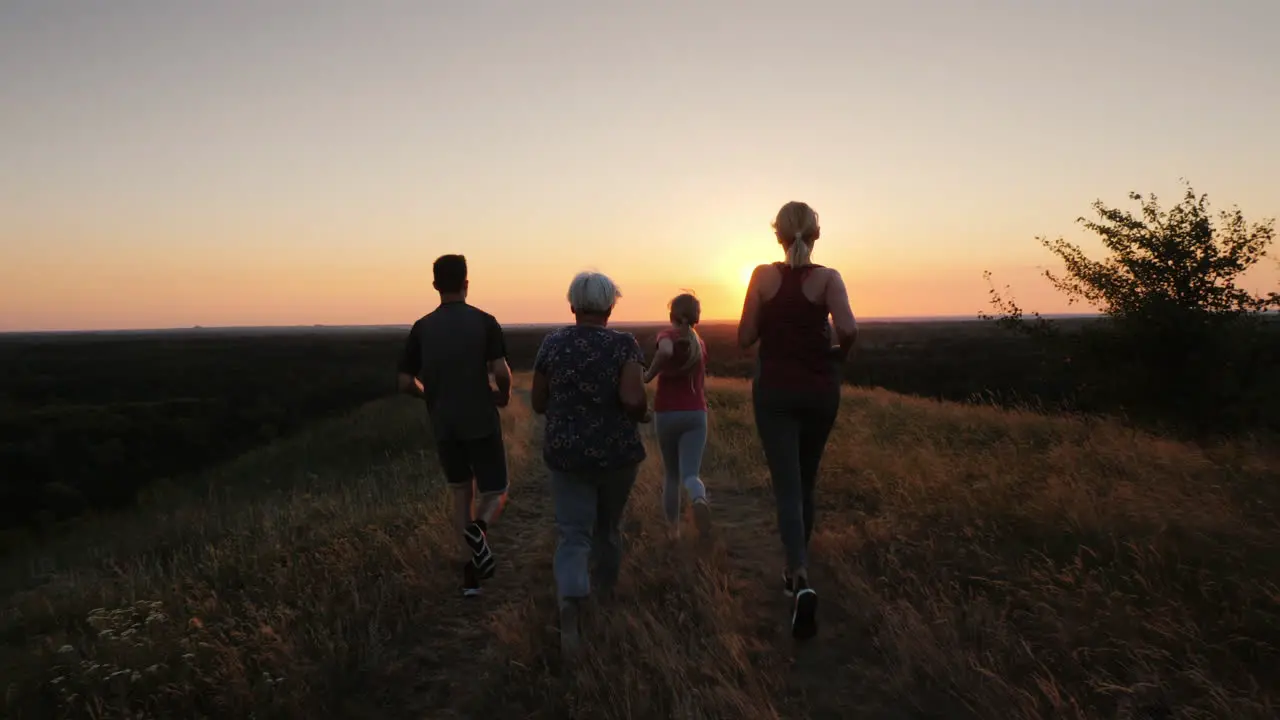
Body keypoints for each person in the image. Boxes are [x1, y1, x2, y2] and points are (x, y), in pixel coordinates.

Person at [737, 201, 858, 640]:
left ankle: (798, 576)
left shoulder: (762, 277)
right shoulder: (829, 279)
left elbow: (744, 337)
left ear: (778, 236)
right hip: (821, 390)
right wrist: (835, 359)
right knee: (806, 482)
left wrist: (769, 323)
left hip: (775, 393)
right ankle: (797, 569)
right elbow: (849, 330)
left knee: (787, 486)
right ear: (817, 235)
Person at [531, 271, 649, 657]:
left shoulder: (553, 343)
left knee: (572, 533)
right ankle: (604, 595)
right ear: (610, 307)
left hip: (566, 454)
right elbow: (633, 400)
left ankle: (570, 602)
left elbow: (538, 401)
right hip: (616, 454)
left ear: (573, 306)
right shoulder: (624, 345)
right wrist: (642, 413)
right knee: (608, 529)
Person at [397, 254, 513, 599]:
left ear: (435, 285)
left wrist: (428, 398)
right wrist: (502, 395)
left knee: (461, 493)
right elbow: (503, 371)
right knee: (496, 491)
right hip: (480, 419)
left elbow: (405, 382)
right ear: (467, 282)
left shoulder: (421, 327)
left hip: (443, 423)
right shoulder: (485, 322)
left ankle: (470, 577)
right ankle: (480, 529)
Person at [642, 292, 712, 539]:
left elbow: (666, 351)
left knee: (671, 474)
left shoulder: (667, 335)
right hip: (695, 413)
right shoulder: (699, 343)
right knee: (691, 474)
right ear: (696, 319)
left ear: (672, 316)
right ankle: (698, 496)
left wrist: (649, 375)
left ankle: (673, 532)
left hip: (667, 413)